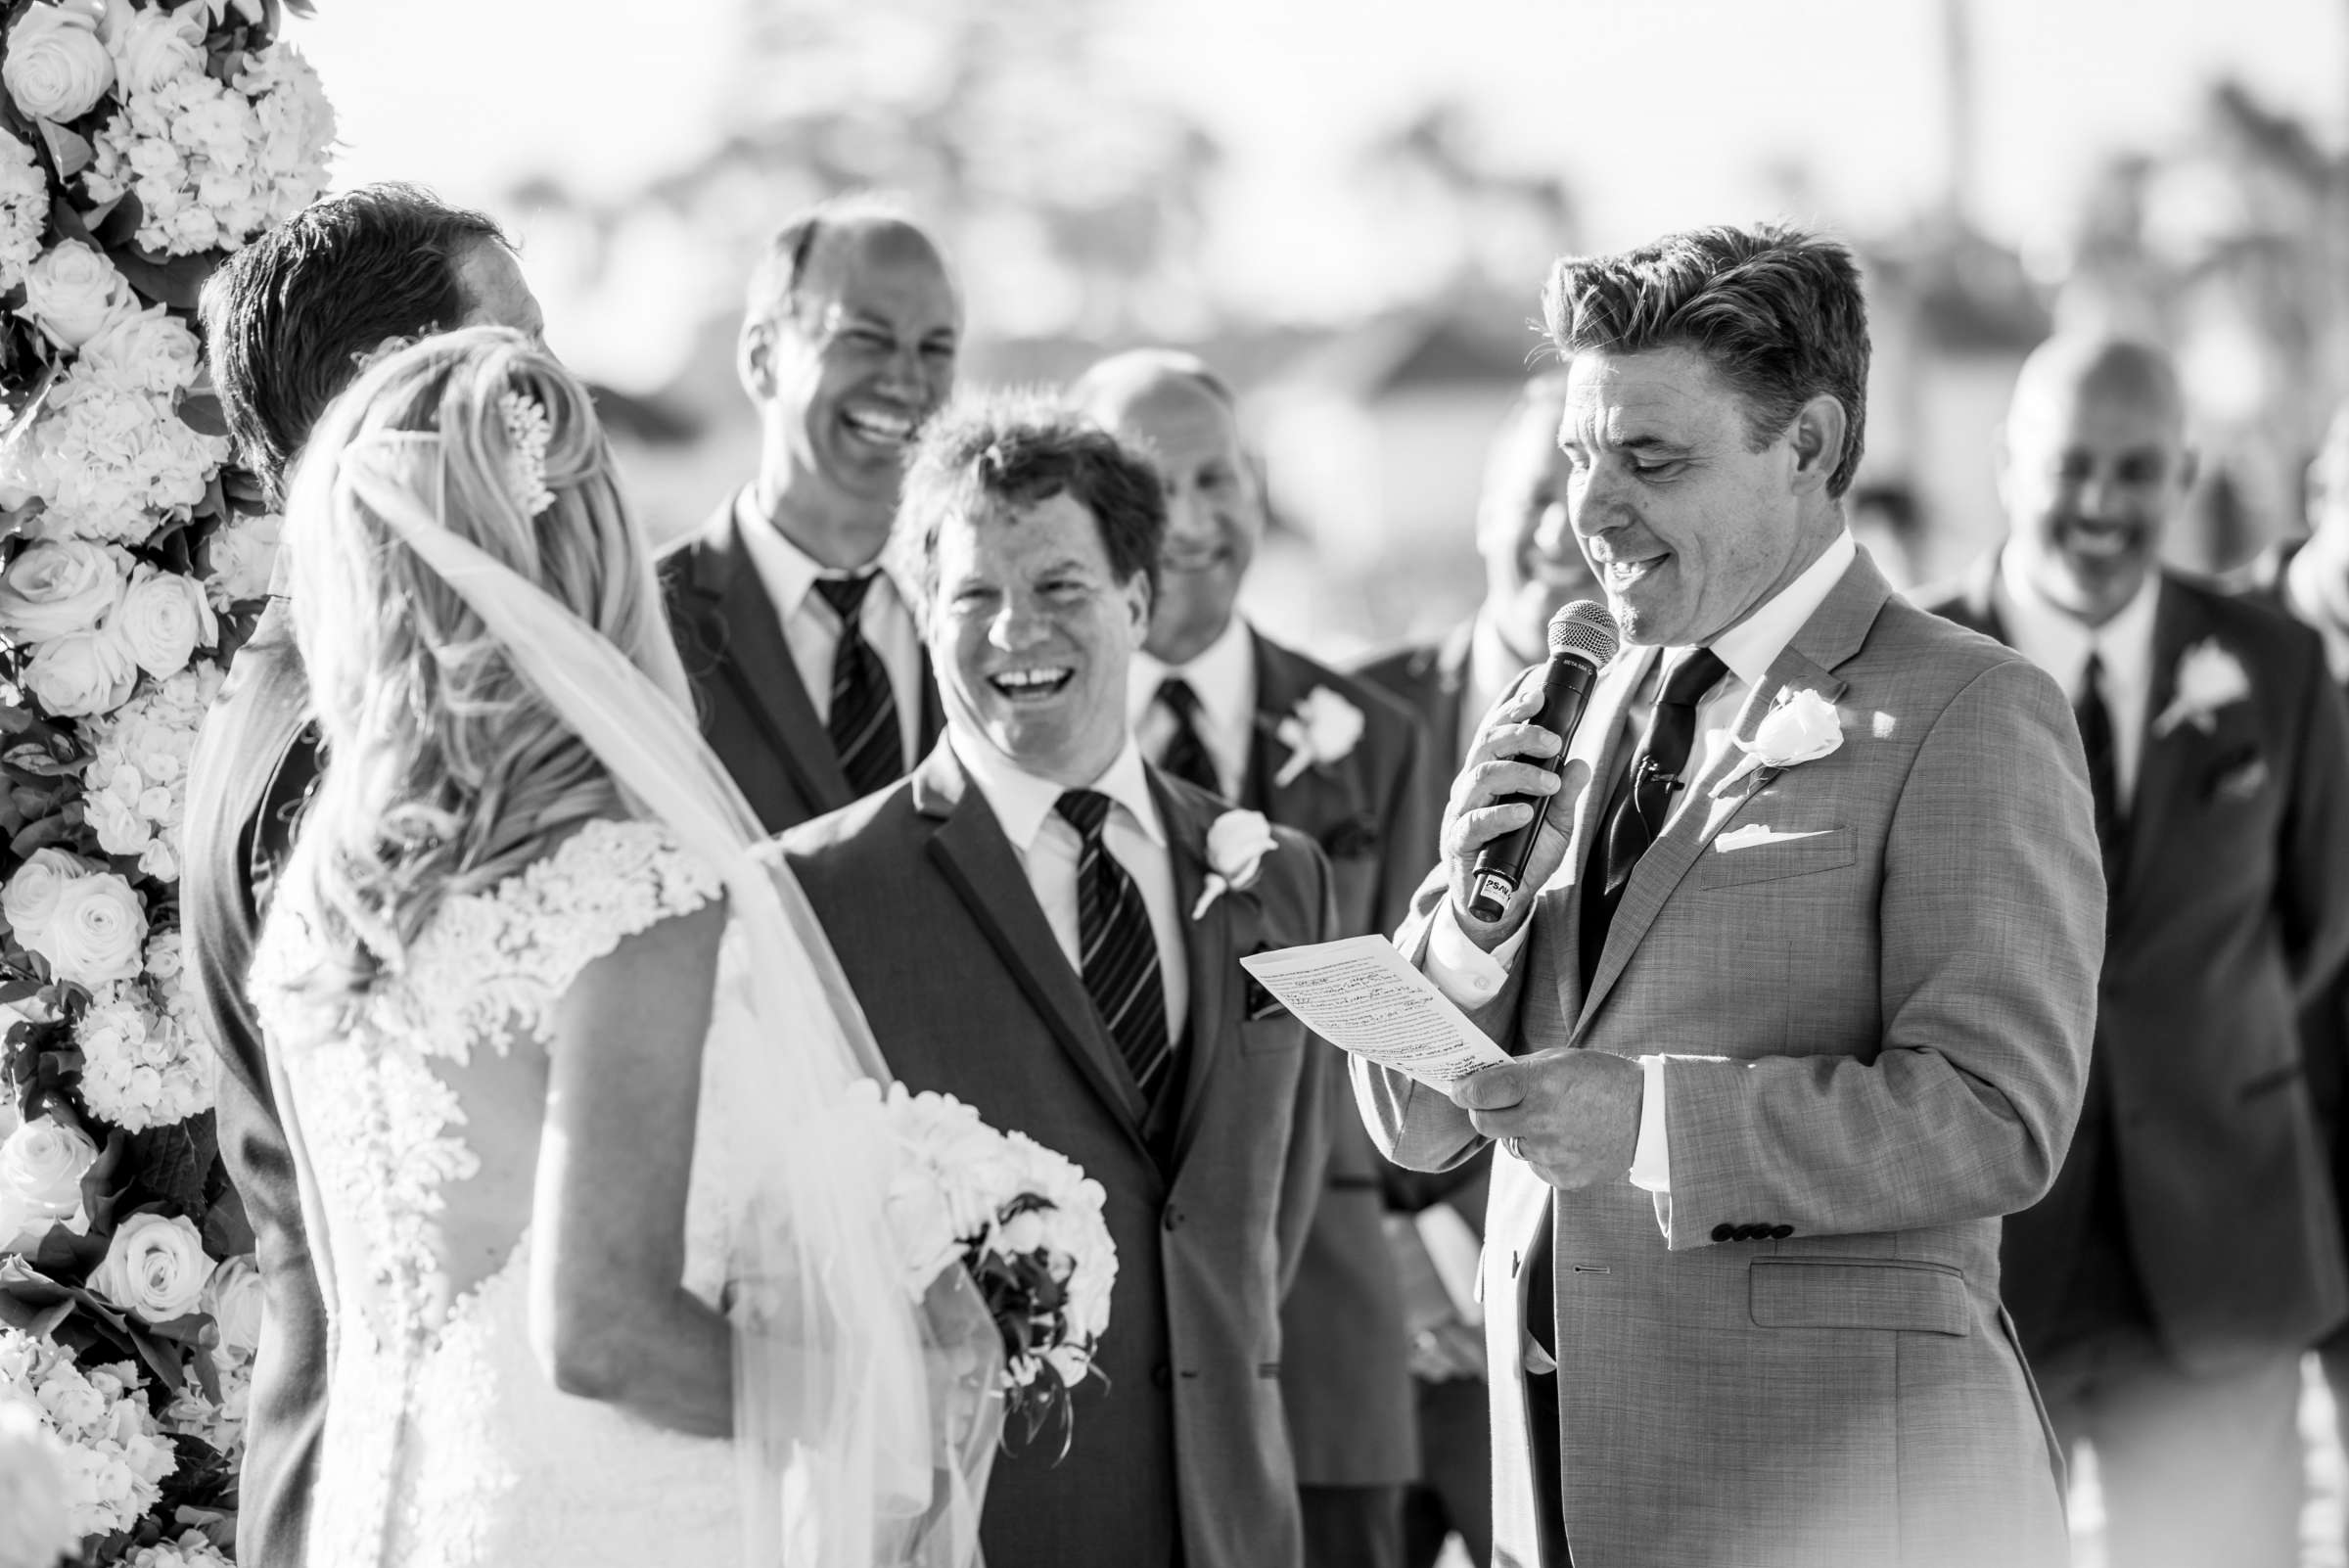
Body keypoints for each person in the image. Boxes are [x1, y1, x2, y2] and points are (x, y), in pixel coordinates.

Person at [1357, 223, 2101, 1568]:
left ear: (1808, 447)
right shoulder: (1582, 701)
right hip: (1567, 1487)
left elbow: (1998, 1116)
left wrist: (1652, 1124)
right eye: (1586, 456)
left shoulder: (1971, 709)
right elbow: (1414, 1127)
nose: (1592, 510)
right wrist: (1468, 939)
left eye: (1652, 459)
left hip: (1844, 1500)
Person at [248, 329, 987, 1567]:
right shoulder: (623, 888)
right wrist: (896, 1400)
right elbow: (603, 1333)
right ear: (589, 557)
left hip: (400, 1518)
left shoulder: (329, 908)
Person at [780, 394, 1335, 1568]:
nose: (1013, 632)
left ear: (1136, 600)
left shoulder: (1279, 880)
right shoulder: (816, 896)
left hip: (1236, 1521)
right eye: (973, 594)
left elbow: (1262, 1227)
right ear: (922, 615)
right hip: (977, 1529)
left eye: (1060, 588)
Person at [1926, 340, 2349, 1568]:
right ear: (2009, 465)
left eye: (2135, 469)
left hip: (2221, 1250)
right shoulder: (1911, 671)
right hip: (1992, 1265)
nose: (2101, 503)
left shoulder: (2275, 664)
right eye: (2070, 467)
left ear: (2186, 472)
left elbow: (2317, 927)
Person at [184, 182, 544, 1568]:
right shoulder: (352, 740)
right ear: (383, 389)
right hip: (405, 1481)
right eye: (519, 357)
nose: (556, 403)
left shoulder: (289, 690)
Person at [1074, 348, 1430, 1568]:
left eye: (1218, 477)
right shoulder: (1028, 746)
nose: (1191, 518)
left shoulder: (1376, 738)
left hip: (1330, 1345)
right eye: (1148, 482)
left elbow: (1447, 1021)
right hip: (1096, 1354)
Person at [1354, 368, 1604, 1568]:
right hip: (1344, 1327)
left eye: (1588, 491)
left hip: (1557, 1308)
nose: (1560, 530)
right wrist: (1377, 1247)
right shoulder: (1352, 719)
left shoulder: (1668, 734)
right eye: (1532, 493)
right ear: (1481, 513)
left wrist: (1458, 1243)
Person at [667, 196, 960, 831]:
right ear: (761, 357)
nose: (907, 383)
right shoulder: (642, 621)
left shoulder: (990, 609)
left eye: (935, 349)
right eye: (865, 338)